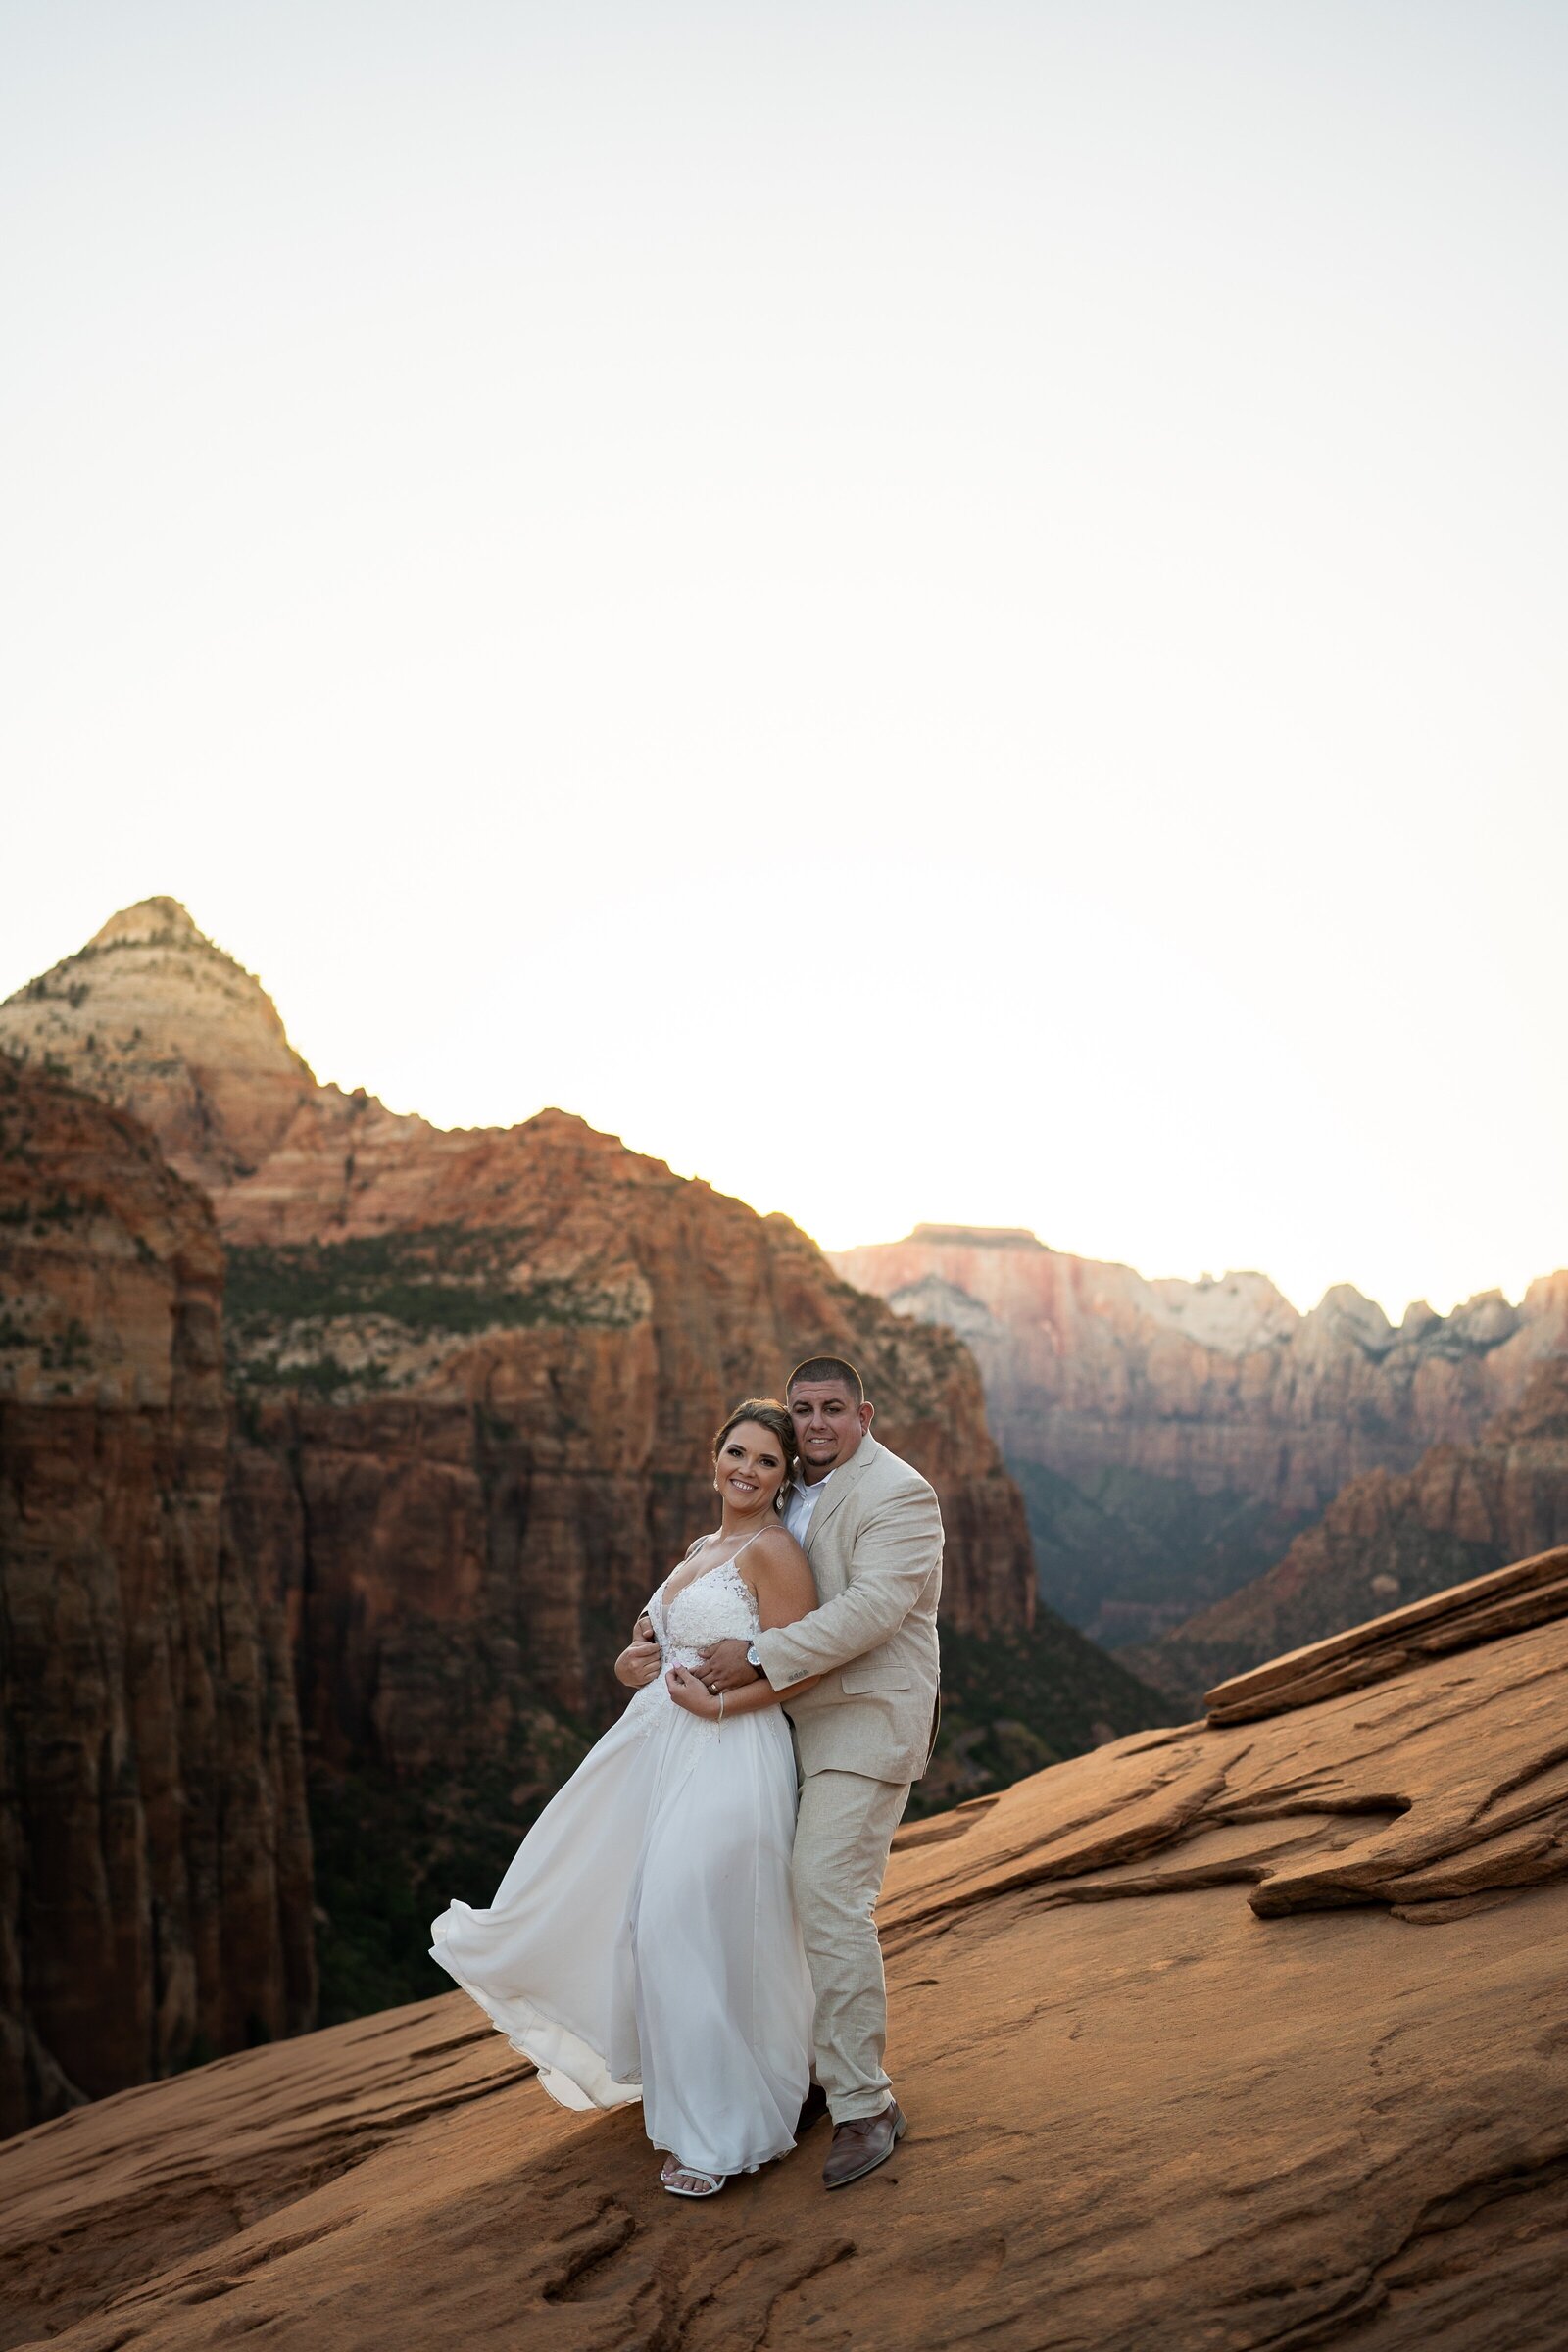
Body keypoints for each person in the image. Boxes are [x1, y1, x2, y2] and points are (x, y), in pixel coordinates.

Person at [429, 1398, 821, 2199]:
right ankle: (690, 2100)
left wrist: (718, 1705)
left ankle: (722, 2134)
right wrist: (627, 1664)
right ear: (714, 1456)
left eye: (767, 1462)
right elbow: (649, 1650)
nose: (746, 1471)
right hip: (657, 1751)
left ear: (784, 1479)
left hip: (731, 1753)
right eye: (736, 1453)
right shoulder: (701, 1547)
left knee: (683, 1921)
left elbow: (803, 1667)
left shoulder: (776, 1552)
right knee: (646, 1921)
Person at [696, 1354, 943, 2190]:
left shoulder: (901, 1494)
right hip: (783, 1729)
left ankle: (865, 2104)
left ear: (864, 1415)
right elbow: (728, 1571)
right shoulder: (792, 1489)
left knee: (827, 1893)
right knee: (772, 1899)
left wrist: (758, 1652)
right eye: (803, 1409)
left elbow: (874, 1610)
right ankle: (803, 2072)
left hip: (866, 1724)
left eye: (833, 1408)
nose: (816, 1423)